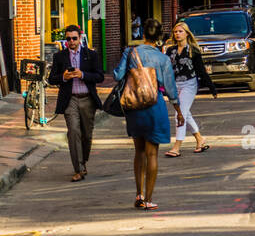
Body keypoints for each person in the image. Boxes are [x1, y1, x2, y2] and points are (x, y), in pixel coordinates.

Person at [113, 18, 184, 210]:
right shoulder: (162, 59)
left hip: (134, 106)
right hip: (154, 106)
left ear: (143, 34)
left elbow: (117, 76)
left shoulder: (130, 52)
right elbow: (170, 89)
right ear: (159, 37)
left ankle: (139, 194)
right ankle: (148, 199)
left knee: (139, 151)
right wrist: (178, 111)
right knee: (152, 154)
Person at [48, 24, 104, 182]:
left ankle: (83, 162)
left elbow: (99, 76)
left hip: (87, 99)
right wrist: (64, 77)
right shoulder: (60, 57)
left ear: (80, 38)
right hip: (70, 99)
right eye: (68, 39)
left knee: (86, 135)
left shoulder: (90, 55)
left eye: (74, 38)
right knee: (73, 132)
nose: (71, 41)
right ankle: (78, 169)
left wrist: (83, 74)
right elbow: (52, 78)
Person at [164, 20, 216, 156]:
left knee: (179, 114)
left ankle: (177, 146)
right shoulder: (171, 50)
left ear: (187, 33)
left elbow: (201, 70)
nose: (177, 34)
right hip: (175, 86)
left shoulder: (193, 50)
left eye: (180, 31)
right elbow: (166, 69)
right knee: (185, 113)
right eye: (175, 32)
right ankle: (199, 139)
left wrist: (211, 87)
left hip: (189, 84)